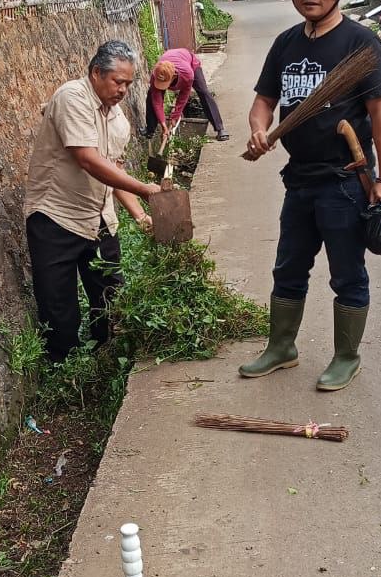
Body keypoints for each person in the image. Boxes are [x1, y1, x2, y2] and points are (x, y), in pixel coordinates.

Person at [239, 0, 381, 391]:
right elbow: (264, 102)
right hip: (299, 180)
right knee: (288, 267)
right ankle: (281, 347)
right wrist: (257, 128)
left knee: (347, 272)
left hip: (345, 182)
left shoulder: (361, 44)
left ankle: (347, 356)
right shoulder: (286, 43)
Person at [24, 39, 161, 363]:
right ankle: (64, 372)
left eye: (128, 83)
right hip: (56, 216)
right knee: (59, 307)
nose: (124, 90)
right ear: (97, 73)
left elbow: (114, 170)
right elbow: (87, 159)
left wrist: (139, 214)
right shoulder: (71, 97)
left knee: (111, 297)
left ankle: (108, 360)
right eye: (118, 82)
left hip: (99, 218)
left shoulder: (118, 120)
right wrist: (145, 188)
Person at [145, 47, 229, 141]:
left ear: (174, 76)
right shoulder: (156, 74)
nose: (162, 86)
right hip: (170, 58)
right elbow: (157, 102)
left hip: (190, 62)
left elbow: (183, 96)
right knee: (151, 95)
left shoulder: (187, 74)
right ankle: (150, 130)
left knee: (203, 92)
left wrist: (175, 116)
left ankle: (220, 128)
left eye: (164, 84)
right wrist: (164, 126)